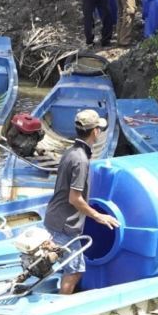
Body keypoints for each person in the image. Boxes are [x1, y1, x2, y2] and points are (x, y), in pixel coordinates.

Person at [43, 109, 119, 295]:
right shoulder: (81, 160)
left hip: (54, 217)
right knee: (75, 271)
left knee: (56, 261)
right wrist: (98, 216)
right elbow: (74, 198)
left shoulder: (70, 152)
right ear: (95, 132)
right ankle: (61, 306)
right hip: (65, 224)